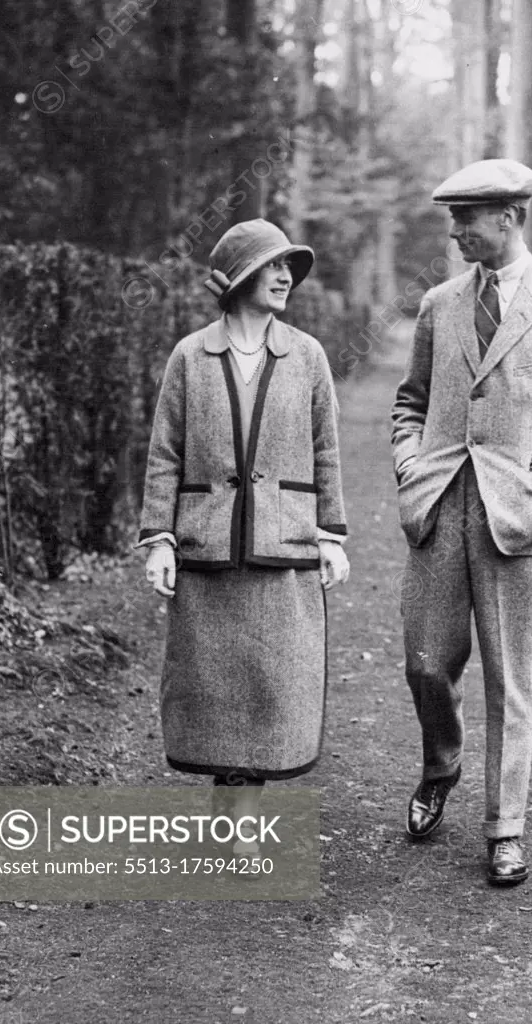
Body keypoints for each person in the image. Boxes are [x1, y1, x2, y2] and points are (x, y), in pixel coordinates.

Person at [391, 159, 532, 885]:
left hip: (517, 516)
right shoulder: (439, 304)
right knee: (427, 663)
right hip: (440, 506)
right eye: (452, 218)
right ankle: (442, 765)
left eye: (468, 218)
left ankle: (505, 827)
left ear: (510, 219)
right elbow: (410, 400)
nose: (456, 231)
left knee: (510, 680)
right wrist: (411, 462)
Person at [138, 219, 349, 844]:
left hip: (283, 547)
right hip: (208, 546)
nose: (285, 277)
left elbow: (326, 450)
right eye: (271, 266)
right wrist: (159, 539)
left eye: (289, 267)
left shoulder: (306, 355)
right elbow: (164, 454)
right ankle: (224, 811)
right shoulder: (189, 356)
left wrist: (331, 536)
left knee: (268, 686)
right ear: (238, 279)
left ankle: (244, 819)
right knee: (213, 687)